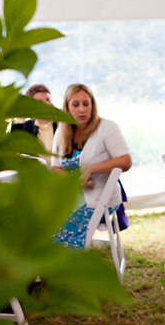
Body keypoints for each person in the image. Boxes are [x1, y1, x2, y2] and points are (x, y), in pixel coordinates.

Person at [51, 84, 131, 248]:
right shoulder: (61, 131)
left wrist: (92, 169)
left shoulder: (107, 128)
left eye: (86, 104)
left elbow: (125, 161)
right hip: (71, 198)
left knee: (59, 232)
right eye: (76, 104)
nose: (82, 109)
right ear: (67, 107)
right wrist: (76, 182)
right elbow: (56, 167)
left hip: (97, 199)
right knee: (43, 224)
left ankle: (65, 270)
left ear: (92, 105)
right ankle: (45, 269)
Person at [10, 84, 57, 152]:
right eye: (40, 102)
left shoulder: (62, 125)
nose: (46, 104)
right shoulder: (27, 127)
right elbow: (14, 144)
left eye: (47, 99)